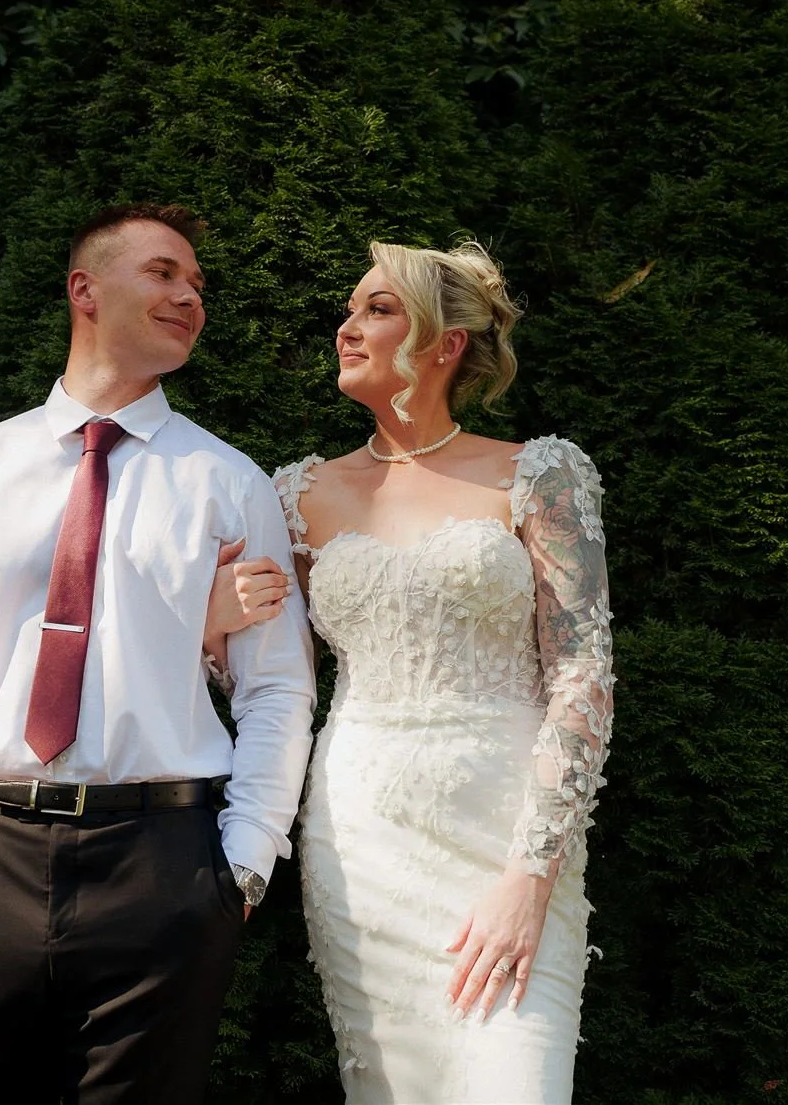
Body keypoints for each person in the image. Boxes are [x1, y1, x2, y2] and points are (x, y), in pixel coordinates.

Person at [0, 204, 316, 1104]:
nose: (190, 296)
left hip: (165, 863)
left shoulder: (230, 483)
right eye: (165, 273)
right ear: (84, 289)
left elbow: (279, 691)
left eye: (198, 285)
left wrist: (244, 862)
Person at [208, 239, 615, 1104]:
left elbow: (582, 671)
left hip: (506, 834)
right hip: (360, 839)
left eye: (376, 309)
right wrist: (217, 622)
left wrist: (529, 873)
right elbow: (265, 684)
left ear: (445, 343)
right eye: (351, 309)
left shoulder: (538, 474)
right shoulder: (296, 495)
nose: (347, 326)